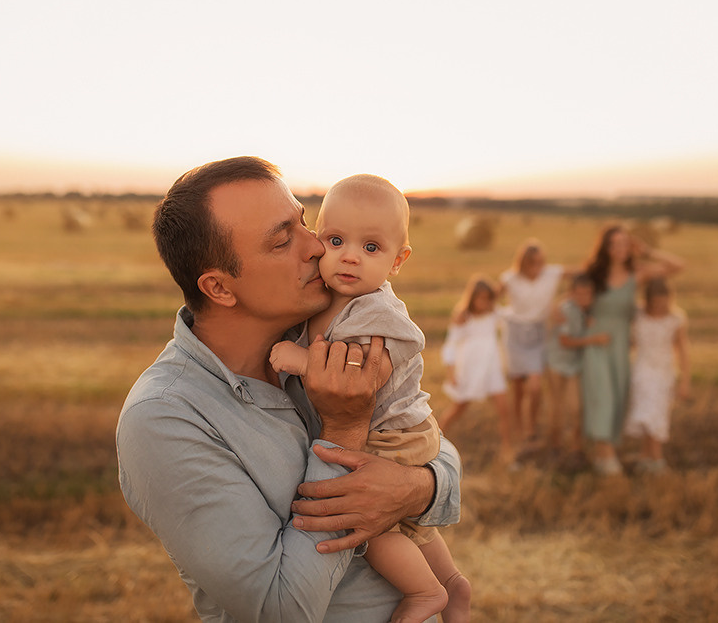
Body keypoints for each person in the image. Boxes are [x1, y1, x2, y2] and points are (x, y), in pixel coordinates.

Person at [116, 157, 463, 623]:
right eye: (283, 240)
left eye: (304, 223)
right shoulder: (165, 417)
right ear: (219, 287)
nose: (317, 247)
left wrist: (420, 487)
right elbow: (281, 611)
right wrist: (344, 426)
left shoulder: (326, 334)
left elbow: (433, 447)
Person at [269, 174, 470, 623]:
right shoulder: (332, 298)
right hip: (401, 429)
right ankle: (453, 583)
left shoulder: (376, 309)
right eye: (336, 240)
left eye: (371, 249)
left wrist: (301, 361)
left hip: (393, 432)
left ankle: (424, 593)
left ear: (398, 261)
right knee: (407, 520)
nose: (350, 257)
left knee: (370, 519)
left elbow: (365, 375)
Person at [581, 224, 685, 476]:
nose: (620, 249)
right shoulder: (594, 274)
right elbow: (576, 299)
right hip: (597, 342)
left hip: (621, 345)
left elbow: (678, 266)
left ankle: (602, 453)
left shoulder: (636, 274)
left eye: (625, 243)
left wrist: (649, 251)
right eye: (614, 244)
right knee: (602, 396)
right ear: (605, 247)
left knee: (617, 397)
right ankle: (605, 454)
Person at [498, 238, 567, 459]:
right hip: (515, 333)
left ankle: (531, 426)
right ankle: (520, 428)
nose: (537, 268)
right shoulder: (510, 278)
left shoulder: (552, 274)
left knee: (535, 385)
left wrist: (563, 303)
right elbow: (489, 297)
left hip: (538, 333)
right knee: (518, 386)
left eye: (540, 262)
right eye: (532, 263)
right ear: (523, 262)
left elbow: (582, 276)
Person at [437, 274, 511, 460]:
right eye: (481, 298)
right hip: (471, 368)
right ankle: (435, 438)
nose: (484, 303)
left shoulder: (495, 314)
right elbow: (451, 345)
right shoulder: (464, 317)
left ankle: (507, 448)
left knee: (503, 407)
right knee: (459, 407)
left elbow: (511, 313)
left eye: (488, 299)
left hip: (491, 366)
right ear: (472, 298)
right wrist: (451, 371)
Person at [623, 277, 691, 474]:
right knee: (648, 412)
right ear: (648, 300)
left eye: (664, 302)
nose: (661, 307)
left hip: (664, 371)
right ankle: (656, 459)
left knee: (657, 412)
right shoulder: (637, 315)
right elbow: (631, 342)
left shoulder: (676, 319)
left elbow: (683, 350)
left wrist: (685, 379)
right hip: (642, 371)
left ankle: (647, 457)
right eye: (656, 303)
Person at [544, 273, 609, 457]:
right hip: (557, 362)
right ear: (571, 293)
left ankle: (576, 447)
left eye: (588, 294)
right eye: (579, 294)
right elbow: (565, 341)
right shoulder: (565, 310)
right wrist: (594, 339)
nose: (584, 298)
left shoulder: (591, 309)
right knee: (556, 406)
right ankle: (555, 445)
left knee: (576, 407)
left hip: (575, 364)